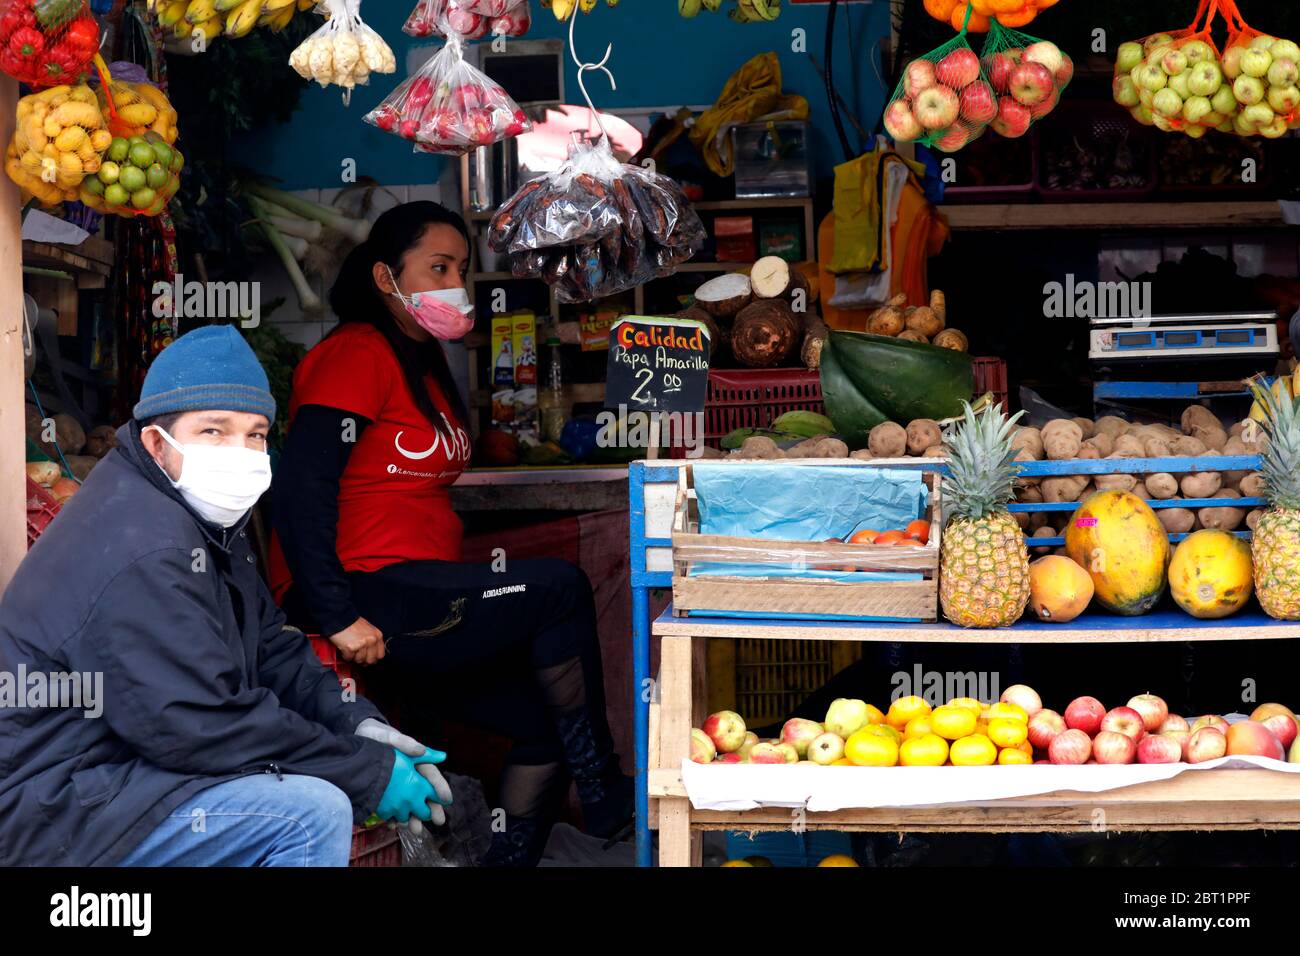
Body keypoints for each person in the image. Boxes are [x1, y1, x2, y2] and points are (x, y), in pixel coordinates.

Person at [0, 326, 449, 866]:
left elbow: (272, 646)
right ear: (155, 442)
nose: (241, 452)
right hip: (60, 809)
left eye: (256, 434)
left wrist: (357, 722)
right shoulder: (141, 544)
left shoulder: (196, 516)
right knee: (309, 813)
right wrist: (366, 773)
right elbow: (201, 725)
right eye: (214, 431)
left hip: (123, 770)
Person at [270, 201, 632, 867]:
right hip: (366, 590)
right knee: (558, 588)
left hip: (425, 600)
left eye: (460, 269)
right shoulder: (355, 354)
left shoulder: (425, 361)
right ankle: (606, 793)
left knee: (537, 727)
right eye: (438, 267)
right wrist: (337, 611)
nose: (454, 283)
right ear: (386, 277)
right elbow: (300, 489)